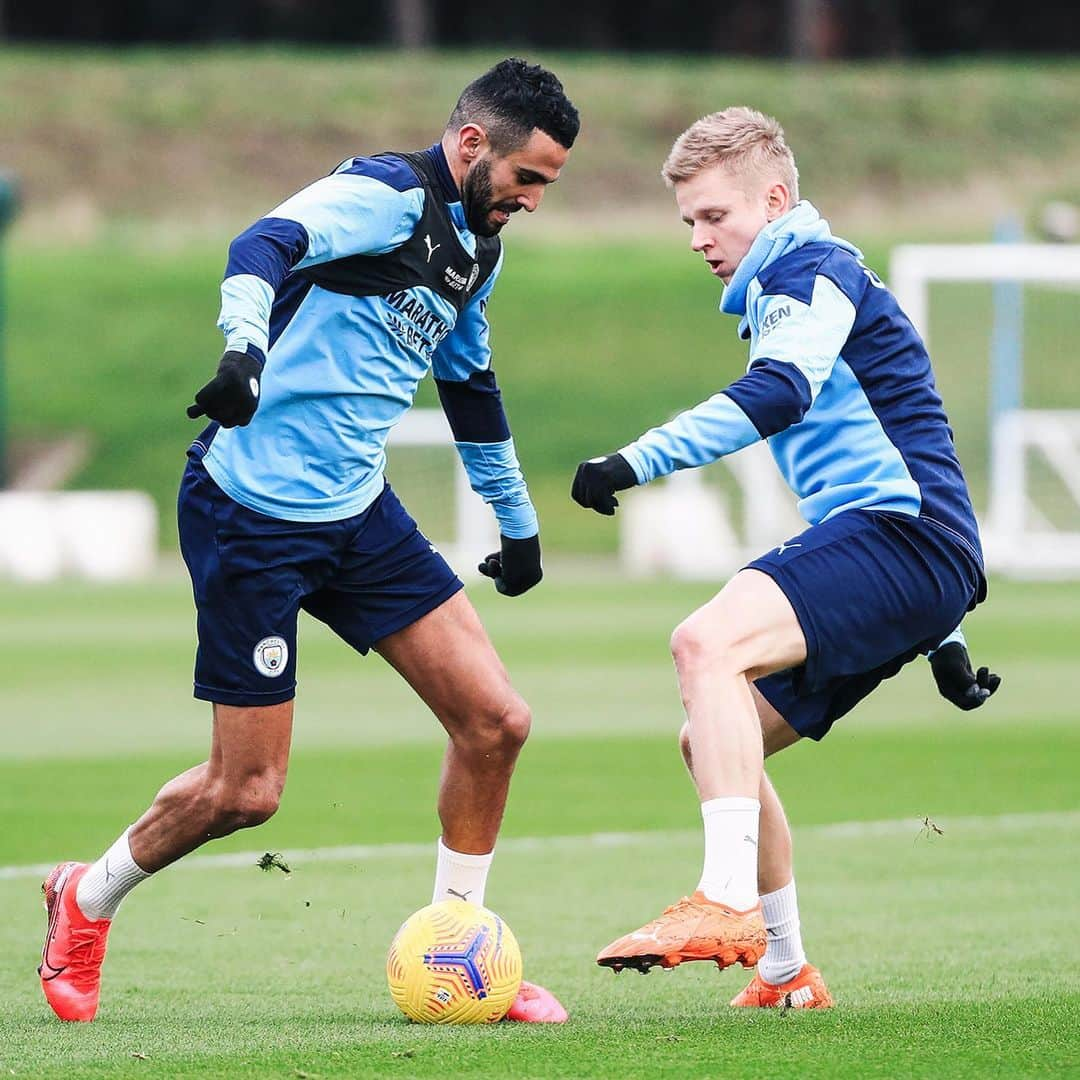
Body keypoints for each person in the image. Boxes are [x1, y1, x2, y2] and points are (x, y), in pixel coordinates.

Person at [39, 57, 578, 1025]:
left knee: (497, 723)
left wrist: (519, 522)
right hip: (250, 513)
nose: (534, 200)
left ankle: (461, 944)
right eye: (528, 177)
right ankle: (84, 895)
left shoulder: (477, 250)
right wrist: (244, 352)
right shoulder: (382, 195)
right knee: (247, 791)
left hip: (355, 514)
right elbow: (265, 242)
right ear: (470, 146)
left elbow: (472, 390)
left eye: (547, 184)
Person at [572, 107, 1000, 1009]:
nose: (698, 237)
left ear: (775, 199)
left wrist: (634, 460)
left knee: (705, 646)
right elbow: (906, 444)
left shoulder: (812, 272)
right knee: (713, 736)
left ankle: (725, 899)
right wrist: (945, 639)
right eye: (688, 220)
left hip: (905, 538)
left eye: (715, 216)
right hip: (913, 554)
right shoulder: (802, 285)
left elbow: (780, 392)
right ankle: (784, 968)